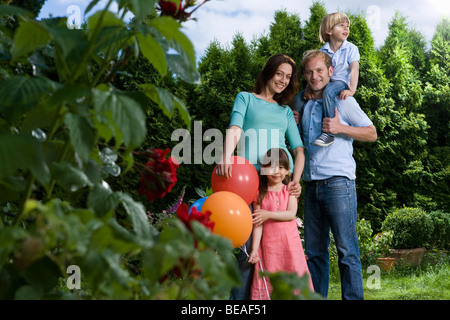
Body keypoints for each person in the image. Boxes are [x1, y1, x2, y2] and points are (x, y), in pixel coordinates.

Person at [216, 54, 305, 300]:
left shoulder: (285, 111)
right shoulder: (245, 98)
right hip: (247, 183)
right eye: (280, 74)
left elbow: (298, 150)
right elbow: (235, 128)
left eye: (288, 77)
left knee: (277, 248)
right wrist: (226, 155)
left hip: (277, 183)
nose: (283, 80)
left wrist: (295, 180)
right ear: (268, 72)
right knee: (246, 250)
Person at [293, 50, 377, 300]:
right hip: (311, 185)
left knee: (346, 251)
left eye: (319, 70)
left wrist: (340, 128)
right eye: (309, 72)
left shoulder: (343, 100)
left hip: (338, 184)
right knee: (315, 253)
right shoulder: (305, 103)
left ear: (330, 72)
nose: (314, 76)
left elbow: (371, 133)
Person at [248, 148, 313, 300]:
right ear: (263, 169)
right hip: (269, 248)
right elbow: (258, 224)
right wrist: (254, 249)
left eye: (281, 167)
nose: (276, 171)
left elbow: (291, 214)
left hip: (290, 246)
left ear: (288, 170)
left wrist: (268, 214)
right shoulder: (259, 193)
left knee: (293, 275)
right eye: (271, 166)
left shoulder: (289, 191)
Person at [297, 12, 360, 147]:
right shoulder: (323, 50)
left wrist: (351, 90)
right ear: (329, 30)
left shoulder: (351, 48)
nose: (346, 29)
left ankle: (328, 133)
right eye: (341, 25)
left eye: (347, 26)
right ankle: (297, 136)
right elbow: (317, 72)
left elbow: (355, 69)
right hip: (326, 82)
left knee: (329, 92)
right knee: (298, 99)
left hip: (341, 82)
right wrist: (308, 88)